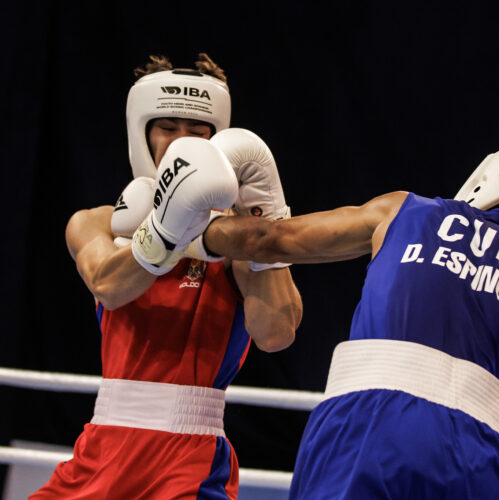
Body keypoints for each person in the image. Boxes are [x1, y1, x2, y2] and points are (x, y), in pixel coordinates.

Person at [199, 148, 499, 499]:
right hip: (471, 452)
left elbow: (269, 239)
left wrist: (176, 229)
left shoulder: (406, 211)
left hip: (366, 426)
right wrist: (496, 461)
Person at [31, 54, 302, 500]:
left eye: (197, 134)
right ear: (142, 133)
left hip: (187, 460)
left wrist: (266, 221)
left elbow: (277, 334)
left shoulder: (235, 237)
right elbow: (108, 285)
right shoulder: (98, 223)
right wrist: (167, 228)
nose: (181, 143)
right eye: (167, 128)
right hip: (99, 451)